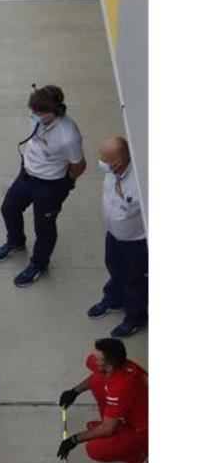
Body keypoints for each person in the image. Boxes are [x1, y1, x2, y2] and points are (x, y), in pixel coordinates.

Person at [0, 84, 86, 287]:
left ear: (54, 111)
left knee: (44, 228)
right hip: (27, 175)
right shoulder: (38, 117)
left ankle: (39, 265)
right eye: (32, 110)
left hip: (50, 187)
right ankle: (15, 242)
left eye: (38, 112)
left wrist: (65, 183)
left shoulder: (68, 136)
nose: (32, 114)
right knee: (9, 208)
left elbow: (79, 165)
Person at [56, 337, 148, 463]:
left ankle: (141, 454)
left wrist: (74, 439)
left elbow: (107, 430)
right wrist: (74, 391)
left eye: (96, 358)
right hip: (134, 410)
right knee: (99, 380)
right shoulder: (116, 366)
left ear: (109, 366)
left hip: (144, 430)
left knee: (95, 449)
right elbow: (96, 376)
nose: (92, 359)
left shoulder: (122, 385)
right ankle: (115, 425)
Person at [87, 136, 147, 337]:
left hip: (135, 243)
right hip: (113, 235)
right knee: (114, 268)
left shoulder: (141, 183)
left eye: (105, 160)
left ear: (119, 162)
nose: (101, 163)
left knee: (134, 281)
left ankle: (135, 317)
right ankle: (113, 299)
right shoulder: (113, 173)